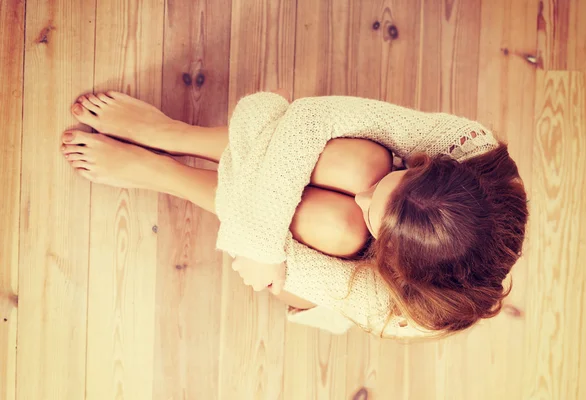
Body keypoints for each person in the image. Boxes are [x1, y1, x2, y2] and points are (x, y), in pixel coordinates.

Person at [60, 89, 528, 337]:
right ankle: (174, 135)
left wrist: (262, 250)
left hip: (329, 270)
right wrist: (258, 240)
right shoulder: (468, 150)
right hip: (307, 193)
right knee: (358, 164)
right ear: (428, 168)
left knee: (336, 225)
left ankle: (166, 174)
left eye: (373, 212)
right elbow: (310, 117)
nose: (364, 198)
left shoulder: (411, 311)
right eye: (386, 188)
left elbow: (289, 272)